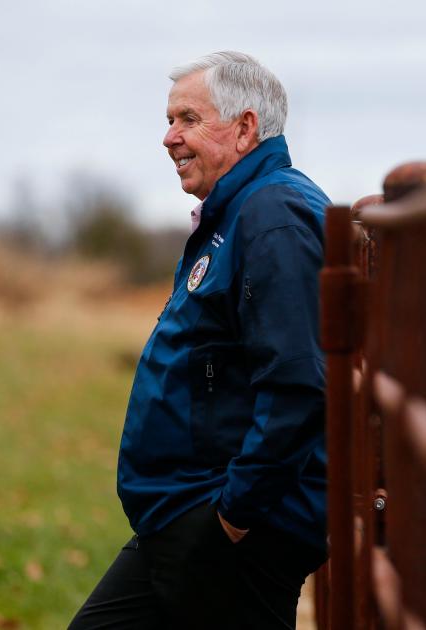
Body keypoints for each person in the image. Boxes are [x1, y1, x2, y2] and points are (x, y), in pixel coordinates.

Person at [70, 51, 330, 629]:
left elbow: (297, 381)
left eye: (188, 119)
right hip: (196, 519)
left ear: (245, 128)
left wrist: (234, 514)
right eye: (169, 121)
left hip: (232, 528)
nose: (168, 138)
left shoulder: (273, 216)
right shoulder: (239, 214)